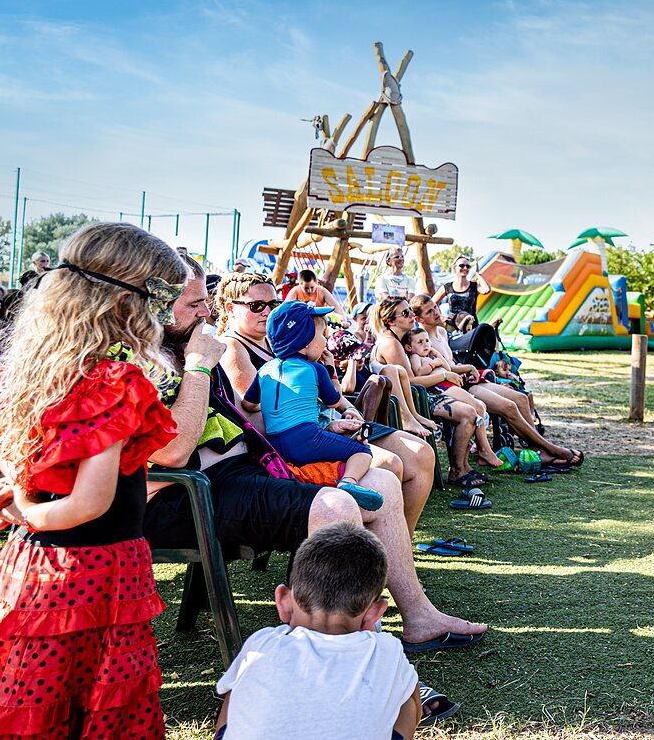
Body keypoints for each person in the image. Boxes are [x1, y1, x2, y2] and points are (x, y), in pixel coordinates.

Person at [144, 258, 485, 652]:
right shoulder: (153, 360)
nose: (207, 311)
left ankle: (418, 616)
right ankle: (346, 656)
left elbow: (247, 415)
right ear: (155, 303)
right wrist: (200, 366)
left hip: (245, 468)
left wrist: (320, 425)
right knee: (337, 506)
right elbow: (171, 450)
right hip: (191, 493)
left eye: (207, 300)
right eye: (194, 304)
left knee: (384, 481)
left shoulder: (194, 346)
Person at [0, 221, 187, 739]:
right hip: (96, 568)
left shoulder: (37, 370)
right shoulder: (114, 381)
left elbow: (19, 461)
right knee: (90, 695)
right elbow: (90, 502)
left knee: (31, 690)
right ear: (123, 302)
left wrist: (27, 500)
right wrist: (32, 512)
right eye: (158, 297)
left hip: (33, 562)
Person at [213, 523, 420, 740]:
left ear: (283, 601)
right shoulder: (387, 649)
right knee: (408, 697)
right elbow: (412, 706)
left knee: (236, 685)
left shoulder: (262, 643)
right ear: (374, 614)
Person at [241, 301, 386, 510]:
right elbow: (335, 401)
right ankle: (349, 483)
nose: (326, 339)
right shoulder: (315, 369)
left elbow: (248, 403)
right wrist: (331, 372)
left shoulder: (265, 370)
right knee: (361, 451)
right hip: (306, 438)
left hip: (275, 443)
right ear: (305, 342)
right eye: (322, 335)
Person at [410, 294, 582, 467]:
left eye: (435, 307)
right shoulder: (422, 341)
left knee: (521, 398)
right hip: (459, 385)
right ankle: (550, 449)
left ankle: (538, 449)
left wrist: (469, 369)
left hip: (467, 378)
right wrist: (467, 368)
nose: (436, 312)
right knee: (509, 407)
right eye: (429, 311)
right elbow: (440, 369)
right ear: (418, 318)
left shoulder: (441, 332)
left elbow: (452, 363)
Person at [373, 298, 495, 486]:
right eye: (405, 313)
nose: (411, 316)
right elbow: (413, 381)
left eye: (410, 311)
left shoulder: (398, 341)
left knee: (472, 409)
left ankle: (463, 467)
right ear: (391, 321)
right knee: (468, 413)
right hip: (408, 401)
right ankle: (458, 470)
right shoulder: (391, 344)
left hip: (415, 397)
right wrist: (444, 376)